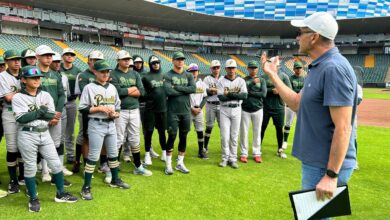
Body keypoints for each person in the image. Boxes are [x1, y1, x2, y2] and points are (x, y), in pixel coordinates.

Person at [261, 12, 357, 201]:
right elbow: (297, 103)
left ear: (314, 37)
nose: (297, 37)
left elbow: (344, 127)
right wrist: (273, 75)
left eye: (301, 32)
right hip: (317, 163)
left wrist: (331, 175)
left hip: (325, 166)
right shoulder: (319, 66)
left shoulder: (333, 68)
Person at [13, 65, 78, 212]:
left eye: (38, 77)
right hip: (27, 134)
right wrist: (41, 111)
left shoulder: (46, 95)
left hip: (45, 132)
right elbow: (22, 118)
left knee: (56, 164)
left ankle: (60, 194)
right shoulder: (18, 97)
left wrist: (40, 113)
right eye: (32, 77)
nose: (37, 79)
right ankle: (33, 198)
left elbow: (52, 115)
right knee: (30, 167)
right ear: (23, 80)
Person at [79, 60, 129, 200]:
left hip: (111, 124)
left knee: (113, 154)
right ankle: (86, 187)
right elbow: (82, 108)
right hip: (96, 123)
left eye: (107, 71)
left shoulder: (112, 87)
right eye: (102, 71)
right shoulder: (89, 87)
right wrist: (99, 108)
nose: (105, 74)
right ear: (95, 72)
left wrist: (116, 114)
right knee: (93, 156)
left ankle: (115, 179)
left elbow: (118, 106)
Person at [111, 50, 152, 176]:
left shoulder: (135, 74)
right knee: (118, 139)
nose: (127, 61)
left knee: (135, 138)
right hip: (120, 110)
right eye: (124, 59)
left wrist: (128, 90)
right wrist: (132, 89)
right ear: (118, 61)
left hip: (134, 109)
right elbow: (116, 92)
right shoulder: (113, 74)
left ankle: (138, 166)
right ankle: (114, 167)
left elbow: (142, 92)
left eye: (128, 59)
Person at [35, 45, 68, 184]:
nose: (49, 57)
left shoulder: (55, 74)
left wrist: (58, 113)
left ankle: (56, 172)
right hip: (40, 115)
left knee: (55, 144)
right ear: (37, 57)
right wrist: (49, 115)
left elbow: (61, 95)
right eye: (45, 55)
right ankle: (44, 171)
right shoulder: (33, 73)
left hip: (56, 115)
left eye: (50, 55)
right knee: (42, 143)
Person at [163, 51, 196, 175]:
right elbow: (168, 92)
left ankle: (180, 163)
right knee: (171, 136)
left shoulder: (189, 75)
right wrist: (184, 90)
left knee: (184, 137)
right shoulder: (167, 75)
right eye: (178, 59)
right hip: (173, 112)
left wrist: (176, 87)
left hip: (186, 112)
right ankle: (168, 164)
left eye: (182, 59)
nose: (180, 61)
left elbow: (192, 89)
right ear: (173, 60)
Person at [72, 50, 104, 173]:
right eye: (94, 60)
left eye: (99, 60)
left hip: (101, 112)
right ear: (89, 61)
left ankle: (101, 162)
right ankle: (80, 162)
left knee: (100, 136)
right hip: (87, 112)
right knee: (84, 136)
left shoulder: (104, 74)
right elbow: (85, 94)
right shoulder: (83, 75)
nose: (96, 63)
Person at [0, 50, 25, 193]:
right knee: (12, 147)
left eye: (18, 59)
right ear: (6, 62)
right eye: (13, 59)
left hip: (25, 113)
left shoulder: (26, 72)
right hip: (9, 113)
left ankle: (22, 176)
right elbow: (8, 98)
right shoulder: (2, 76)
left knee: (23, 146)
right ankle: (13, 180)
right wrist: (26, 93)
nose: (16, 62)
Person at [217, 59, 247, 169]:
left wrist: (229, 94)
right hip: (224, 110)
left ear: (236, 69)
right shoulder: (221, 81)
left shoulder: (241, 81)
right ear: (225, 69)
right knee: (225, 136)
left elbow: (244, 96)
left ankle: (233, 159)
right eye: (229, 68)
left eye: (233, 68)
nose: (231, 70)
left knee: (234, 136)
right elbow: (221, 97)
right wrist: (235, 95)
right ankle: (225, 158)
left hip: (237, 109)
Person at [261, 57, 291, 159]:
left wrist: (280, 91)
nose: (275, 67)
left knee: (279, 129)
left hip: (279, 107)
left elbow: (289, 90)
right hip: (265, 107)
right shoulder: (264, 77)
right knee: (262, 128)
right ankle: (258, 149)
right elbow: (262, 91)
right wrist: (271, 91)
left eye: (277, 65)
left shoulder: (284, 76)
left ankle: (280, 150)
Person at [50, 52, 74, 182]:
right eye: (55, 61)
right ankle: (45, 168)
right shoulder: (44, 76)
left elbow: (66, 95)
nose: (57, 64)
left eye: (58, 62)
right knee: (46, 140)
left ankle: (59, 167)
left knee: (60, 140)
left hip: (62, 109)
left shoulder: (63, 76)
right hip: (49, 111)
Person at [239, 61, 266, 163]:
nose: (253, 69)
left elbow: (263, 94)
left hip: (258, 109)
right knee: (244, 132)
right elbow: (243, 93)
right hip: (245, 109)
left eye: (255, 68)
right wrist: (252, 84)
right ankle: (243, 153)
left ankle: (257, 153)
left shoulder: (262, 80)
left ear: (257, 69)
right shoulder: (243, 80)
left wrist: (251, 92)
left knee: (257, 132)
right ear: (248, 68)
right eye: (251, 68)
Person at [133, 55, 159, 159]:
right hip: (134, 104)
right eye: (136, 62)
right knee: (132, 130)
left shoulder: (146, 74)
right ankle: (128, 151)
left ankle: (150, 149)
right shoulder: (131, 73)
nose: (138, 64)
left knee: (147, 129)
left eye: (140, 62)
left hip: (146, 104)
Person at [142, 55, 167, 163]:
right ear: (150, 64)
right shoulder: (145, 77)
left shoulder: (164, 76)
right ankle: (147, 154)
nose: (156, 64)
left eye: (157, 62)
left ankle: (164, 152)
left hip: (163, 109)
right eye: (154, 63)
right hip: (150, 109)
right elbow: (142, 92)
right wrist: (150, 98)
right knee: (149, 132)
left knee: (162, 132)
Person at [60, 48, 81, 164]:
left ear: (74, 57)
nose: (69, 56)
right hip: (60, 102)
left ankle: (70, 154)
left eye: (72, 55)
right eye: (67, 54)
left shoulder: (77, 70)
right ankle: (58, 154)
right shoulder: (58, 68)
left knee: (70, 129)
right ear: (63, 56)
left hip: (72, 102)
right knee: (59, 130)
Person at [282, 61, 306, 150]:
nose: (298, 69)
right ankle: (285, 141)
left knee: (302, 124)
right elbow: (290, 90)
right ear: (294, 69)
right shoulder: (290, 78)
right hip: (291, 104)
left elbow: (305, 91)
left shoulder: (304, 79)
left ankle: (301, 142)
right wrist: (299, 92)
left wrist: (298, 92)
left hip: (301, 104)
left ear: (302, 69)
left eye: (300, 68)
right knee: (288, 123)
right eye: (297, 68)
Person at [187, 63, 208, 159]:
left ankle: (201, 151)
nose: (194, 73)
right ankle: (181, 150)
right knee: (185, 131)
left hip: (198, 110)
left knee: (200, 131)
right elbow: (184, 98)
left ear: (198, 72)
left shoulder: (202, 84)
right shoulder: (186, 83)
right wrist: (192, 108)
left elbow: (205, 97)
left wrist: (199, 108)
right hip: (188, 110)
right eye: (191, 71)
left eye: (195, 71)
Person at [202, 60, 222, 157]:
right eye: (214, 67)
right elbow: (207, 92)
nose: (216, 69)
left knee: (223, 127)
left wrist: (215, 90)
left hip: (222, 105)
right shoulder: (207, 79)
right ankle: (205, 146)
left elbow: (225, 92)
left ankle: (225, 147)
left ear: (220, 68)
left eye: (217, 67)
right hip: (210, 104)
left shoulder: (224, 78)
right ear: (211, 68)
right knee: (209, 127)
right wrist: (219, 91)